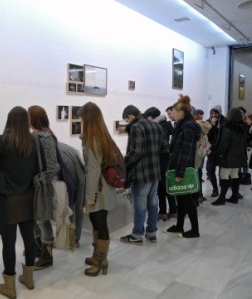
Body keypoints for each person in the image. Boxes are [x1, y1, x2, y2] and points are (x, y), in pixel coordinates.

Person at [0, 106, 38, 299]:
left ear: (9, 120)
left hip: (7, 199)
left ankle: (10, 285)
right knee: (29, 237)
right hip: (28, 197)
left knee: (9, 242)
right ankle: (29, 278)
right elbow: (40, 168)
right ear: (26, 121)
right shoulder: (33, 140)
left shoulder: (2, 140)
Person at [78, 102, 121, 276]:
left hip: (98, 190)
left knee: (100, 224)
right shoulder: (101, 136)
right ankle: (97, 255)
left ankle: (101, 260)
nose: (80, 121)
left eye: (81, 118)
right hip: (103, 188)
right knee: (98, 223)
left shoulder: (93, 139)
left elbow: (93, 170)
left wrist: (90, 196)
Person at [120, 105, 169, 245]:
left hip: (141, 173)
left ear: (130, 116)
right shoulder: (156, 126)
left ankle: (137, 235)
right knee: (153, 203)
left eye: (127, 120)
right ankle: (152, 233)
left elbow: (137, 152)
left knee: (140, 205)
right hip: (155, 172)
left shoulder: (136, 127)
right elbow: (165, 147)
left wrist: (123, 162)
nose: (128, 123)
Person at [27, 105, 60, 270]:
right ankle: (41, 250)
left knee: (42, 220)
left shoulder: (39, 137)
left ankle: (47, 255)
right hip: (46, 183)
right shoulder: (50, 135)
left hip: (42, 185)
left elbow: (52, 165)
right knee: (39, 219)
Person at [165, 95, 201, 238]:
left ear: (181, 113)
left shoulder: (188, 128)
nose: (172, 114)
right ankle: (179, 225)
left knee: (187, 200)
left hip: (183, 169)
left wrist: (180, 173)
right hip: (179, 167)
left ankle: (195, 230)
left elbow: (185, 152)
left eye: (174, 112)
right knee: (180, 198)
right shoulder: (181, 126)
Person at [144, 106, 176, 221]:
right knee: (165, 187)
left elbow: (160, 146)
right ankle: (169, 211)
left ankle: (166, 211)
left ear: (152, 117)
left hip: (162, 160)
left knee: (163, 187)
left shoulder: (159, 127)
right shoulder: (166, 125)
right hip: (166, 160)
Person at [212, 108, 248, 205]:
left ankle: (222, 198)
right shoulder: (243, 127)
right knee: (234, 175)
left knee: (224, 175)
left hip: (228, 156)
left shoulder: (227, 126)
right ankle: (234, 196)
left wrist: (219, 154)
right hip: (239, 155)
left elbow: (224, 142)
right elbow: (245, 142)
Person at [57, 141, 85, 247]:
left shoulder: (56, 149)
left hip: (71, 177)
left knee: (70, 206)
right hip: (80, 176)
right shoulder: (63, 146)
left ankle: (70, 240)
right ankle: (75, 239)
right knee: (78, 207)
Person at [206, 105, 225, 197]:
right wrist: (212, 126)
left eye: (216, 113)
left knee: (222, 172)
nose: (214, 115)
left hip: (222, 151)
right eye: (212, 113)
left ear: (219, 113)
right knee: (210, 170)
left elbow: (223, 136)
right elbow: (206, 136)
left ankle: (222, 189)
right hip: (211, 151)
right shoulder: (207, 122)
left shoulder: (224, 122)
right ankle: (215, 189)